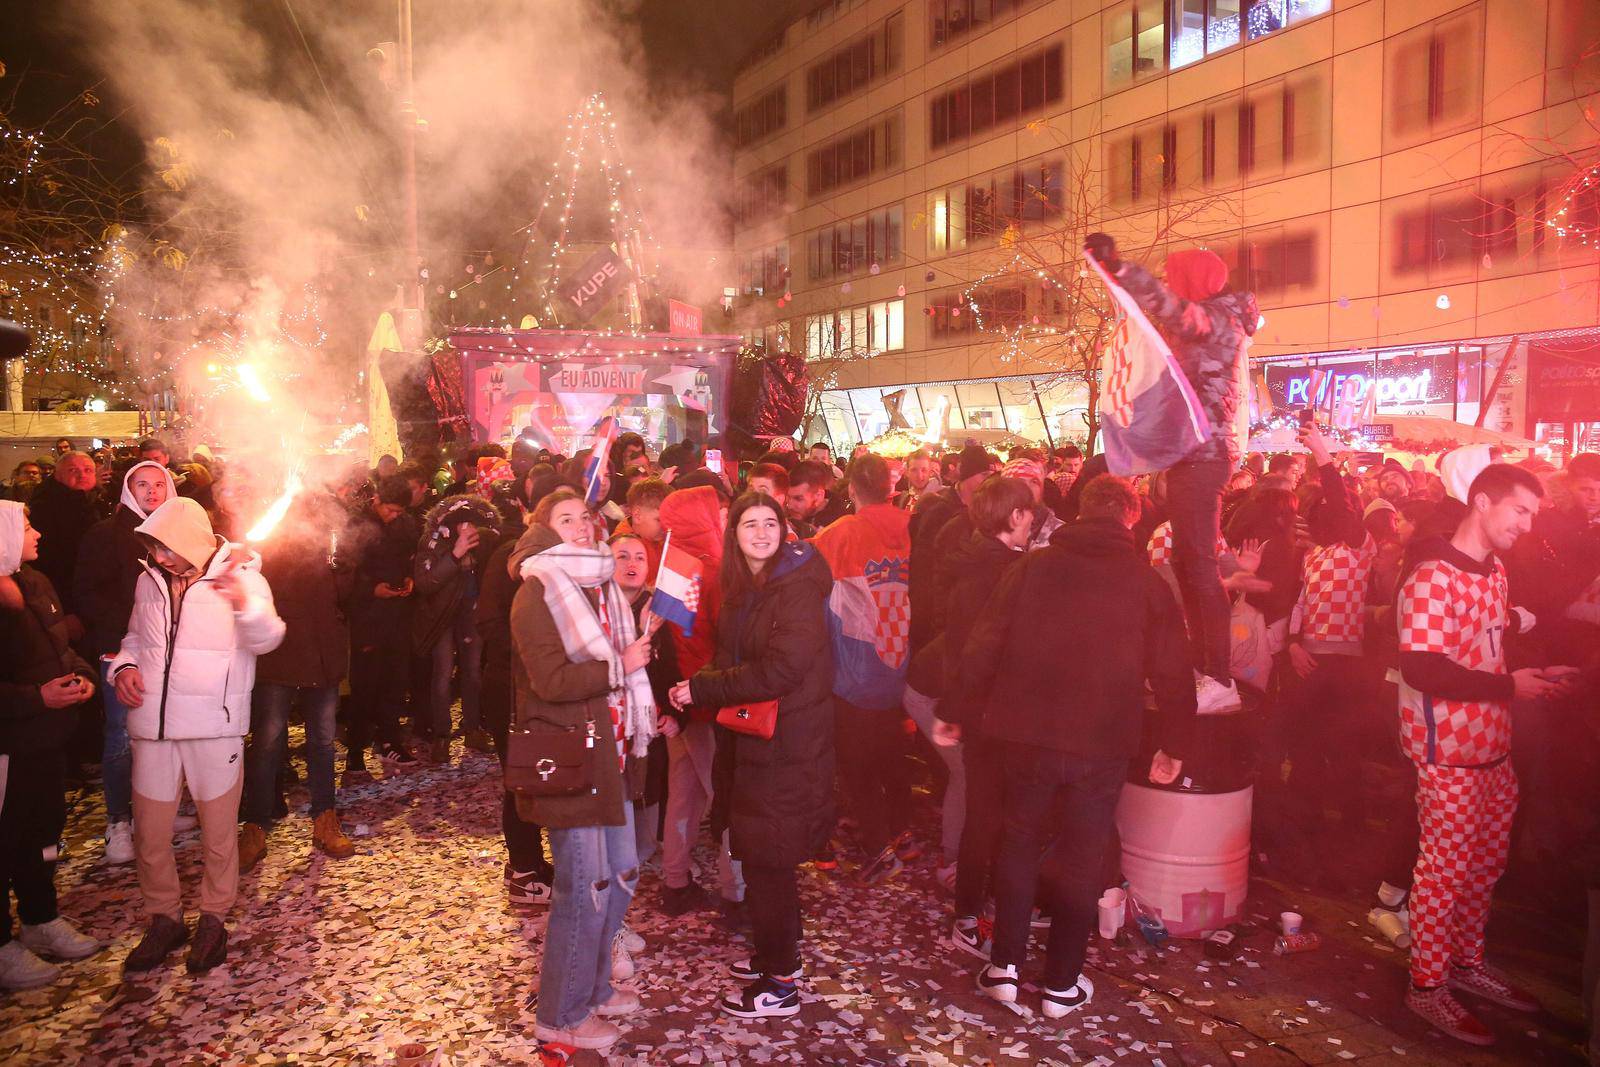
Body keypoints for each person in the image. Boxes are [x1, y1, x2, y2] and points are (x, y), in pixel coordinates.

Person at [952, 475, 1195, 1019]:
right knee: (1083, 856)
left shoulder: (1031, 568)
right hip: (1101, 742)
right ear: (1130, 519)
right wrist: (1175, 741)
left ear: (1081, 513)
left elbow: (983, 644)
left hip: (1028, 734)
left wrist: (957, 710)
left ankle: (1005, 968)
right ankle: (1061, 983)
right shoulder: (1145, 582)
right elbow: (1174, 671)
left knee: (1017, 843)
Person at [1395, 464, 1576, 1044]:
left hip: (1494, 747)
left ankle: (1467, 965)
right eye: (1520, 511)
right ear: (1482, 502)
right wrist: (1510, 687)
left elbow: (1486, 645)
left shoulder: (1495, 571)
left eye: (1533, 515)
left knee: (1484, 866)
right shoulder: (1430, 577)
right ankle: (1427, 987)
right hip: (1446, 750)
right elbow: (1423, 667)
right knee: (1443, 873)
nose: (1527, 525)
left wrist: (1531, 674)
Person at [668, 492, 834, 1019]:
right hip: (753, 736)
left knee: (771, 859)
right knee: (759, 850)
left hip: (788, 741)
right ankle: (773, 956)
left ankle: (781, 979)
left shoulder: (797, 586)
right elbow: (729, 654)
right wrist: (700, 685)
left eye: (770, 523)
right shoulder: (745, 588)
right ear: (733, 534)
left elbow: (784, 669)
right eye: (749, 525)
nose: (761, 533)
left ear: (784, 529)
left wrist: (705, 689)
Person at [1085, 232, 1259, 715]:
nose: (1171, 286)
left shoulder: (1218, 320)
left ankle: (1219, 678)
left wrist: (1121, 269)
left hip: (1204, 455)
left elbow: (1168, 307)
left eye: (1176, 278)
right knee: (1188, 564)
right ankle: (1207, 670)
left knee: (1199, 565)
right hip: (1192, 454)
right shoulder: (1208, 323)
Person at [510, 488, 658, 1053]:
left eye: (584, 517)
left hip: (612, 756)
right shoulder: (537, 589)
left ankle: (593, 987)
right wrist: (616, 668)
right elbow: (548, 681)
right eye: (563, 519)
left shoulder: (600, 589)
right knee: (582, 890)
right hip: (572, 759)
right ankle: (560, 1015)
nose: (578, 526)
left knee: (618, 874)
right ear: (544, 528)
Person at [111, 497, 285, 974]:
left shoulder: (245, 576)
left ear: (189, 539)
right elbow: (134, 639)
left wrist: (242, 602)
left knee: (218, 834)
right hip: (152, 727)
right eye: (153, 547)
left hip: (214, 726)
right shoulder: (148, 581)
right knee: (149, 833)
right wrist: (124, 668)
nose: (159, 558)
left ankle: (213, 918)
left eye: (165, 547)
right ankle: (165, 919)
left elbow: (269, 637)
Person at [930, 475, 1037, 955]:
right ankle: (973, 914)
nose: (1033, 522)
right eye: (1029, 513)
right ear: (1015, 516)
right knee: (994, 817)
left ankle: (976, 909)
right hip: (1001, 713)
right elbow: (984, 650)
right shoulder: (1011, 573)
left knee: (984, 814)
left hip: (978, 711)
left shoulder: (971, 565)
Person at [0, 502, 102, 990]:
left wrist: (81, 676)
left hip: (47, 738)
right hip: (8, 744)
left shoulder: (35, 582)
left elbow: (62, 647)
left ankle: (40, 919)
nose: (37, 533)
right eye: (26, 526)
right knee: (4, 839)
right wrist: (36, 697)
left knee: (42, 834)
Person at [238, 491, 358, 872]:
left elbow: (344, 597)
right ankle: (255, 824)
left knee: (321, 743)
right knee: (268, 744)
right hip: (281, 655)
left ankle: (325, 817)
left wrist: (342, 566)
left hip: (322, 655)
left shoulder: (333, 549)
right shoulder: (268, 545)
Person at [812, 454, 913, 884]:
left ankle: (877, 848)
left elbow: (809, 590)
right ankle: (901, 831)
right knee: (892, 756)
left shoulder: (839, 534)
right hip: (901, 666)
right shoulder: (914, 527)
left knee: (856, 765)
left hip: (853, 670)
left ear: (851, 489)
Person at [72, 460, 177, 865]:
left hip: (168, 651)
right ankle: (119, 820)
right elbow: (87, 592)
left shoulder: (178, 534)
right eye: (142, 484)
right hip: (122, 649)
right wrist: (113, 642)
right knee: (121, 737)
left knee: (163, 733)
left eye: (158, 484)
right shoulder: (106, 534)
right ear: (128, 490)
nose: (151, 492)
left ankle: (157, 811)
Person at [656, 485, 746, 918]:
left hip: (680, 702)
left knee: (684, 795)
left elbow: (673, 639)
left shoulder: (673, 566)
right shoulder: (716, 571)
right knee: (727, 800)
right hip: (710, 704)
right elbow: (723, 642)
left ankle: (675, 880)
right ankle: (737, 891)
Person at [412, 495, 503, 760]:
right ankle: (441, 736)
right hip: (441, 617)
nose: (472, 531)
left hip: (471, 615)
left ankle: (473, 729)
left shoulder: (486, 542)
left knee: (473, 673)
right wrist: (455, 554)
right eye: (467, 526)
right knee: (442, 674)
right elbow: (425, 581)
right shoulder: (434, 541)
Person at [346, 476, 422, 778]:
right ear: (377, 500)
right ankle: (355, 750)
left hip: (398, 616)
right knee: (365, 686)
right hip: (367, 619)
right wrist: (371, 589)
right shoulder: (356, 525)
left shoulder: (405, 525)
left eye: (399, 512)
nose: (393, 516)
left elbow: (408, 559)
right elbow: (346, 572)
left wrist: (408, 580)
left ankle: (390, 740)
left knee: (395, 681)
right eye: (390, 510)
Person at [27, 451, 103, 618]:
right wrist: (66, 611)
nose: (82, 475)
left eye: (88, 470)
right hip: (68, 604)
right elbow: (49, 565)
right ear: (57, 475)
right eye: (73, 470)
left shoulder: (94, 500)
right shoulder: (46, 509)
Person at [783, 460, 846, 539]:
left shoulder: (840, 526)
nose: (790, 505)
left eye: (798, 499)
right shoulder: (784, 515)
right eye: (788, 497)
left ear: (819, 496)